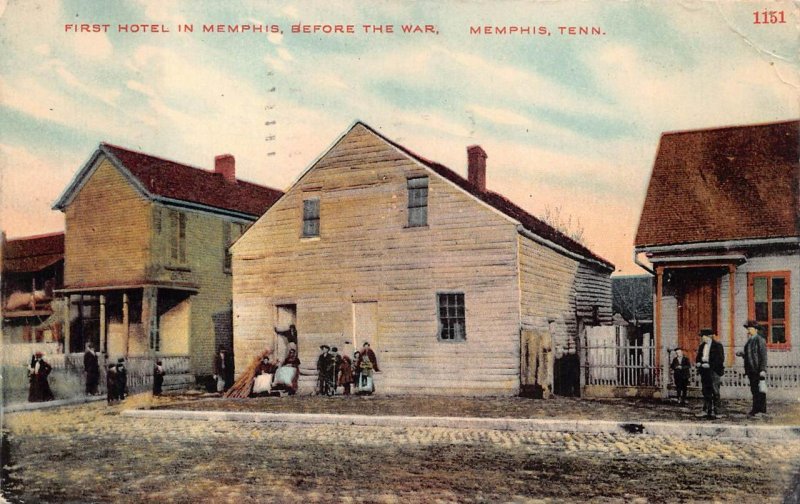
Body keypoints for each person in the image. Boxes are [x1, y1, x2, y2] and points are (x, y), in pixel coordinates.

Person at [738, 320, 768, 416]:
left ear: (756, 329)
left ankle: (761, 410)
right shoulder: (750, 341)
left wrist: (762, 370)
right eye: (748, 329)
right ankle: (755, 409)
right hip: (751, 370)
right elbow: (750, 355)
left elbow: (763, 356)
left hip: (757, 369)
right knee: (754, 390)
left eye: (750, 328)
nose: (748, 330)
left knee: (760, 390)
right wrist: (743, 354)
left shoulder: (760, 340)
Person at [695, 329, 724, 419]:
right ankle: (706, 410)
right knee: (706, 391)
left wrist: (710, 365)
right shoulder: (702, 346)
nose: (702, 338)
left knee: (715, 392)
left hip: (714, 371)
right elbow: (698, 357)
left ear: (709, 336)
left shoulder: (718, 346)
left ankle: (717, 412)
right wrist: (698, 363)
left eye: (703, 336)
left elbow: (720, 359)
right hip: (704, 371)